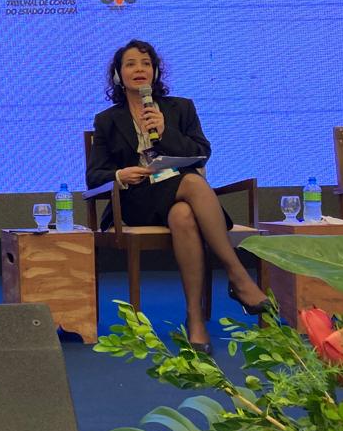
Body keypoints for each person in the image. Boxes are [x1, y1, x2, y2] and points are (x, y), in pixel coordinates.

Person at [86, 39, 269, 352]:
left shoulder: (180, 108)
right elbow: (94, 176)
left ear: (156, 72)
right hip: (138, 200)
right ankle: (237, 274)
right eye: (130, 64)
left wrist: (165, 131)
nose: (139, 69)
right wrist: (120, 174)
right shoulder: (107, 120)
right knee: (194, 184)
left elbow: (201, 153)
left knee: (183, 214)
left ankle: (195, 319)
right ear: (118, 75)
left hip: (177, 194)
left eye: (146, 63)